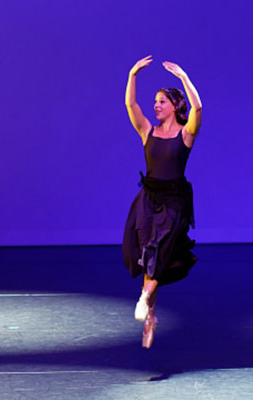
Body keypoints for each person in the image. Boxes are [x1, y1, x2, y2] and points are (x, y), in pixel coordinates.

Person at [123, 55, 202, 348]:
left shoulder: (186, 134)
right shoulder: (148, 131)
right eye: (155, 101)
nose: (155, 105)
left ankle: (145, 297)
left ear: (174, 105)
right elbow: (131, 105)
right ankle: (151, 316)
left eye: (161, 101)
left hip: (174, 203)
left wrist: (183, 77)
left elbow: (198, 107)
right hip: (148, 200)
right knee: (149, 258)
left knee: (163, 253)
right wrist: (132, 75)